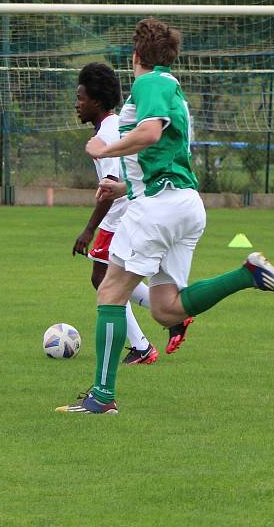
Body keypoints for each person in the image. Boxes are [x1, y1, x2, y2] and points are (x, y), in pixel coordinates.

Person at [57, 19, 274, 414]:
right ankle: (247, 274)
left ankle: (101, 398)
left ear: (135, 56)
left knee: (110, 292)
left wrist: (104, 149)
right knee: (167, 308)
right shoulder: (173, 90)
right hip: (185, 204)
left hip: (158, 207)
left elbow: (149, 134)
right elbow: (159, 149)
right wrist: (123, 187)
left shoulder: (150, 83)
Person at [72, 62, 194, 365]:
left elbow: (111, 186)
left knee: (105, 282)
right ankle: (167, 324)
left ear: (96, 102)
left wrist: (89, 230)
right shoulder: (108, 127)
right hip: (126, 214)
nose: (77, 104)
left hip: (125, 216)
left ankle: (142, 347)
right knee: (106, 280)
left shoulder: (112, 130)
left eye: (81, 98)